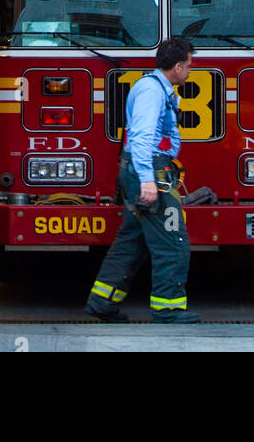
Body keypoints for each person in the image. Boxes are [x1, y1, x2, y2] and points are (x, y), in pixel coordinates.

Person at [85, 36, 199, 324]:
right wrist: (148, 181)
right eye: (188, 65)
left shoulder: (156, 88)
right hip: (149, 172)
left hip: (141, 170)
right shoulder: (152, 92)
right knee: (174, 242)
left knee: (132, 242)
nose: (190, 70)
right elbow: (142, 138)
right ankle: (168, 310)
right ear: (176, 67)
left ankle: (102, 302)